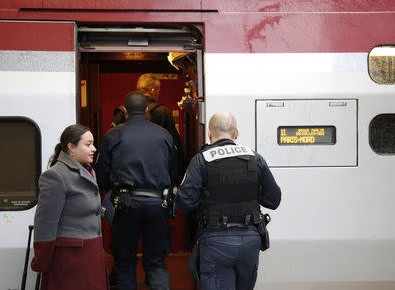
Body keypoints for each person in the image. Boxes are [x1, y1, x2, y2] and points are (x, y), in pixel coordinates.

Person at [175, 112, 282, 290]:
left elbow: (185, 203)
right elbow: (274, 200)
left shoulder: (201, 160)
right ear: (236, 133)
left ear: (209, 132)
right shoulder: (255, 158)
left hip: (215, 240)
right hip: (250, 240)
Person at [96, 91, 178, 290]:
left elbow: (102, 176)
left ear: (125, 110)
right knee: (157, 263)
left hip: (124, 205)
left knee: (125, 263)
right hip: (158, 204)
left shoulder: (113, 135)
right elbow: (174, 172)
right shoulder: (164, 134)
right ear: (147, 109)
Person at [31, 124, 107, 290]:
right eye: (88, 144)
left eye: (93, 144)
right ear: (71, 148)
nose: (94, 148)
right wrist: (42, 260)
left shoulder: (88, 171)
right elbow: (45, 224)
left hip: (89, 255)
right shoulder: (55, 176)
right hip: (69, 261)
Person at [111, 73, 184, 182]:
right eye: (158, 90)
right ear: (153, 91)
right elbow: (176, 146)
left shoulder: (121, 112)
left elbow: (111, 148)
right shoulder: (163, 112)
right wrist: (177, 178)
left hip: (125, 178)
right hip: (156, 177)